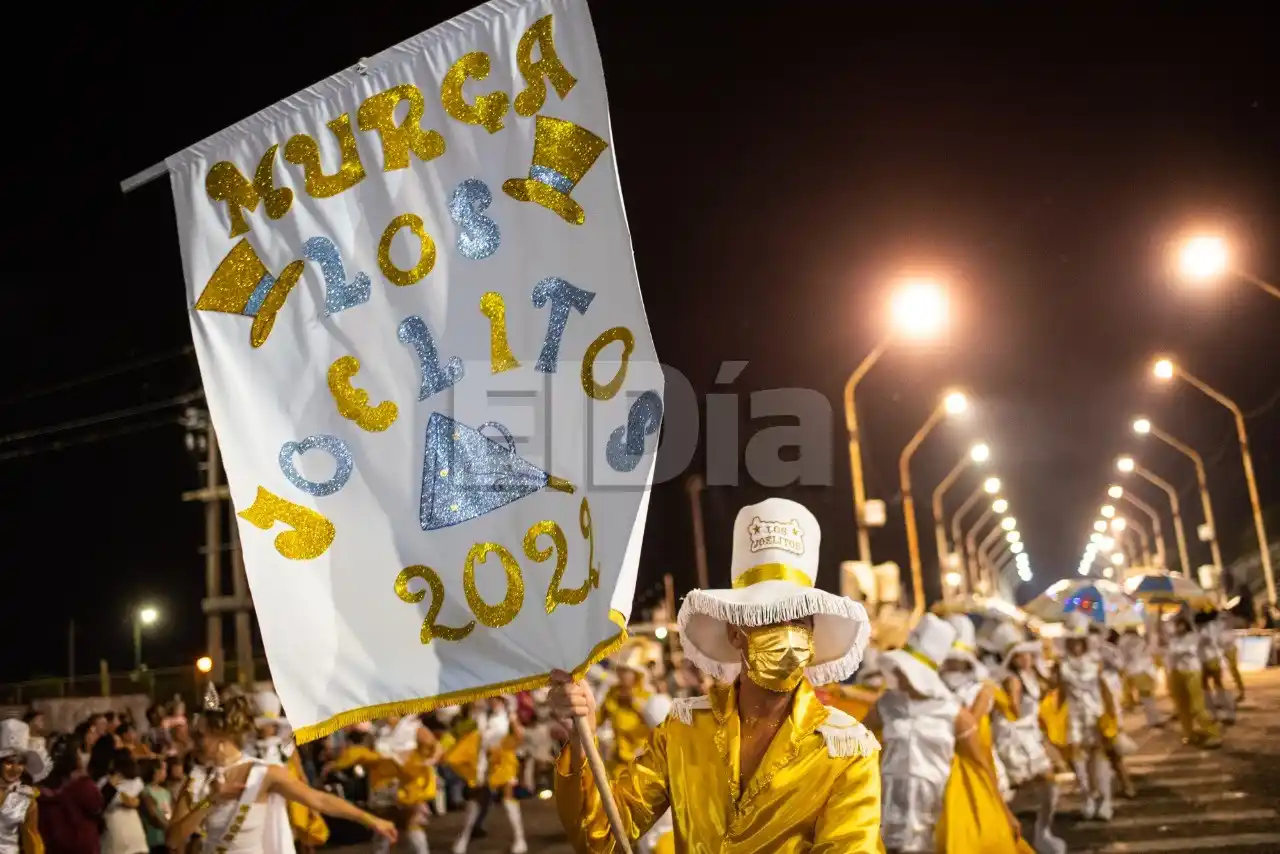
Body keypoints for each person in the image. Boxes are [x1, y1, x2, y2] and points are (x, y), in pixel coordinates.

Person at [551, 498, 881, 852]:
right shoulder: (682, 731)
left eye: (798, 620)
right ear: (735, 632)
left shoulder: (846, 748)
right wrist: (580, 736)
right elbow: (599, 835)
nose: (786, 634)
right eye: (768, 617)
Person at [167, 687, 396, 854]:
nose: (193, 742)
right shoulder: (196, 781)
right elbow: (173, 840)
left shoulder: (264, 773)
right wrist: (210, 800)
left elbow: (319, 800)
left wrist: (371, 819)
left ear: (221, 738)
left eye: (200, 736)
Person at [865, 615, 1023, 853]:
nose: (898, 673)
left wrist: (1004, 811)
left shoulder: (953, 714)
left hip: (936, 814)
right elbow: (857, 743)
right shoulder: (886, 705)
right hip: (890, 810)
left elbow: (981, 765)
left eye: (905, 668)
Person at [987, 621, 1067, 854]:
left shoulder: (1026, 676)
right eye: (1020, 656)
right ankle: (1029, 834)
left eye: (1027, 655)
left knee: (1038, 787)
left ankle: (1036, 834)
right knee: (1035, 786)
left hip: (1028, 737)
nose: (1026, 659)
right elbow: (1013, 711)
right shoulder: (1013, 680)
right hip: (1018, 740)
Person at [1056, 613, 1116, 820]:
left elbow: (1105, 689)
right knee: (1078, 760)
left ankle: (1106, 800)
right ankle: (1088, 797)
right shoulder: (1062, 665)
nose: (1075, 646)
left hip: (1095, 714)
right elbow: (1060, 694)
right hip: (1074, 716)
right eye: (1071, 642)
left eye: (1079, 642)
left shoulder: (1096, 662)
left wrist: (1113, 716)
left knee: (1100, 757)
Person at [1164, 615, 1222, 749]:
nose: (1178, 627)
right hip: (1175, 673)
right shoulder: (1173, 638)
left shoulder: (1193, 636)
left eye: (1181, 624)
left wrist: (1173, 651)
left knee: (1197, 706)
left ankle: (1213, 733)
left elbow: (1186, 651)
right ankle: (1189, 733)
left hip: (1191, 672)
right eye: (1176, 624)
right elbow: (1161, 646)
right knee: (1181, 706)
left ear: (1186, 625)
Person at [37, 737, 102, 854]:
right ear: (75, 757)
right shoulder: (82, 784)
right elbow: (96, 805)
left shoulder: (45, 785)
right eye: (80, 752)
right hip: (81, 846)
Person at [1, 719, 47, 854]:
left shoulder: (25, 798)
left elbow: (32, 842)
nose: (15, 769)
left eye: (20, 763)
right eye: (9, 762)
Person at [100, 750, 147, 854]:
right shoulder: (106, 782)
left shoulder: (137, 782)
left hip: (130, 830)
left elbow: (142, 805)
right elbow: (98, 804)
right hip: (116, 830)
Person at [1117, 627, 1164, 728]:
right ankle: (1153, 720)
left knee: (1145, 697)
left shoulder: (1122, 641)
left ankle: (1152, 719)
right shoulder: (1138, 641)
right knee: (1148, 697)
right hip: (1143, 671)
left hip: (1133, 671)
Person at [1195, 611, 1235, 724]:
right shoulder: (1203, 627)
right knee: (1206, 687)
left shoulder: (1212, 626)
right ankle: (1214, 713)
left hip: (1213, 659)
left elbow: (1219, 641)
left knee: (1219, 686)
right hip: (1203, 660)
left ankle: (1227, 713)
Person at [137, 760, 170, 854]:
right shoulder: (146, 791)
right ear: (156, 770)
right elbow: (152, 815)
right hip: (152, 839)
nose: (165, 773)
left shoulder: (166, 792)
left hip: (165, 839)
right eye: (164, 769)